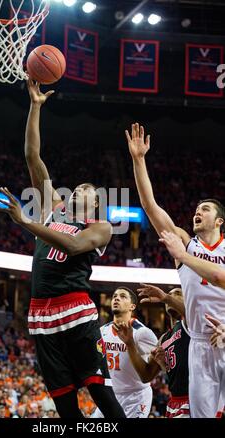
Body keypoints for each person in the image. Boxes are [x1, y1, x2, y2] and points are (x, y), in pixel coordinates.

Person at [0, 78, 125, 419]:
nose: (80, 188)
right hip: (40, 314)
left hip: (76, 310)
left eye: (87, 189)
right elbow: (32, 155)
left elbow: (72, 243)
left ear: (95, 204)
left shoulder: (100, 227)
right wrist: (35, 107)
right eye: (78, 186)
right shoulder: (53, 209)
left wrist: (25, 222)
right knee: (66, 407)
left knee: (101, 394)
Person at [126, 123, 225, 418]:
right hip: (199, 345)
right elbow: (149, 204)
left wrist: (182, 256)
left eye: (205, 209)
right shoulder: (183, 242)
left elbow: (221, 278)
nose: (198, 210)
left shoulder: (186, 250)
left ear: (219, 221)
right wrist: (139, 160)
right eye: (197, 207)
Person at [91, 286, 157, 418]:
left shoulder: (143, 333)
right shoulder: (102, 330)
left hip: (135, 396)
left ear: (132, 306)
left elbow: (156, 365)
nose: (116, 298)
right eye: (115, 296)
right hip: (111, 394)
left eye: (122, 296)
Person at [134, 285, 190, 418]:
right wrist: (130, 344)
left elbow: (191, 313)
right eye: (171, 294)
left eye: (177, 293)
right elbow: (146, 376)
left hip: (194, 398)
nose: (172, 296)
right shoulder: (163, 339)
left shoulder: (191, 325)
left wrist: (165, 297)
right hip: (174, 401)